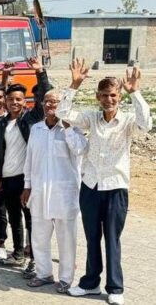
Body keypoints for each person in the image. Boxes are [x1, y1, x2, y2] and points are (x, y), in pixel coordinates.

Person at [59, 60, 153, 305]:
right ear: (97, 97)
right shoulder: (91, 117)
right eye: (104, 95)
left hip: (115, 188)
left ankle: (115, 288)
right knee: (92, 237)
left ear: (118, 96)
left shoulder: (128, 121)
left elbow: (147, 124)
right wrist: (75, 84)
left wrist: (136, 93)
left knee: (112, 239)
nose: (108, 99)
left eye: (113, 95)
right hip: (90, 186)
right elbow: (62, 113)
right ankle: (90, 283)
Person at [21, 89, 87, 293]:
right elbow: (30, 160)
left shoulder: (73, 129)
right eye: (48, 102)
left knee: (66, 239)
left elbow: (80, 150)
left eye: (56, 103)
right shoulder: (37, 129)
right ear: (42, 105)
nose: (51, 106)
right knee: (39, 236)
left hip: (64, 194)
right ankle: (44, 273)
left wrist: (67, 125)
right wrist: (27, 186)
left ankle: (66, 278)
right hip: (39, 191)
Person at [0, 58, 50, 277]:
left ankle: (34, 259)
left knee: (31, 219)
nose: (14, 103)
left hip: (27, 179)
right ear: (6, 102)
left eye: (18, 99)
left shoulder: (31, 119)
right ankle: (17, 253)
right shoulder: (2, 123)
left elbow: (45, 94)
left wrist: (40, 72)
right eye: (10, 99)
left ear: (24, 102)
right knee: (14, 217)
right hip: (7, 179)